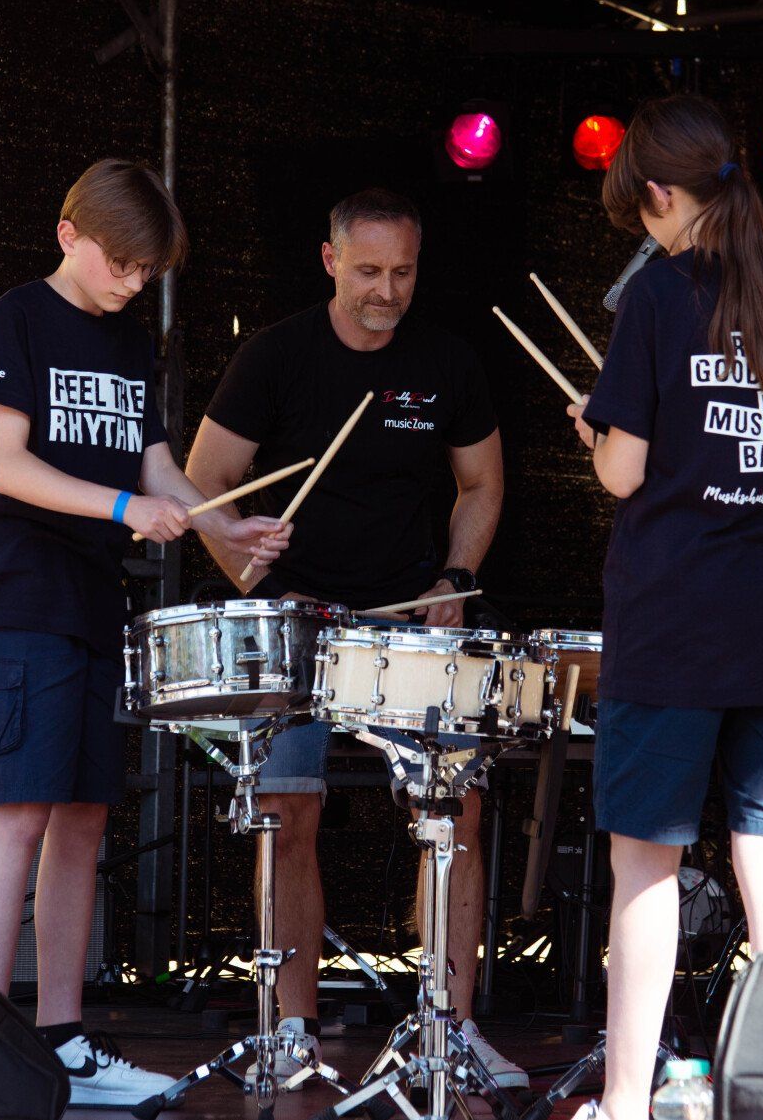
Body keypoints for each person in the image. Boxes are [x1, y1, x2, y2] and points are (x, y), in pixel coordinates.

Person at [0, 159, 292, 1106]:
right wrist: (122, 508)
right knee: (17, 813)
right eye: (123, 262)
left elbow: (160, 469)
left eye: (148, 271)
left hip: (95, 603)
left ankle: (60, 1038)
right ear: (70, 232)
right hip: (17, 597)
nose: (133, 282)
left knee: (85, 817)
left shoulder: (135, 344)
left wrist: (223, 523)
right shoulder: (17, 317)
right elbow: (9, 467)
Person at [185, 188, 522, 1089]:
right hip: (300, 622)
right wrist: (259, 583)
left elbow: (482, 483)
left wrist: (454, 578)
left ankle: (449, 1027)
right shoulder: (277, 356)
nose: (386, 290)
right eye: (368, 270)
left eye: (403, 272)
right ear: (330, 259)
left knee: (457, 813)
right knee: (289, 810)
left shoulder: (447, 360)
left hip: (412, 621)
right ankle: (295, 1028)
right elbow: (205, 483)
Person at [566, 95, 763, 1120]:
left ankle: (628, 1104)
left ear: (654, 194)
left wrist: (594, 431)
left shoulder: (656, 298)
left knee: (646, 864)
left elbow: (627, 473)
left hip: (677, 617)